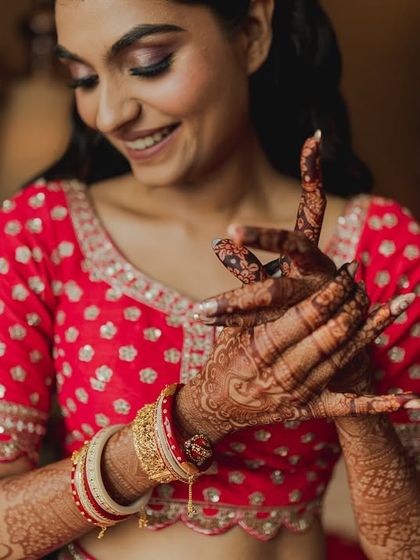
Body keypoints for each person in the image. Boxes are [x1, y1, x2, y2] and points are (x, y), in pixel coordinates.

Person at [0, 1, 418, 559]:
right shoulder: (41, 231)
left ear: (251, 33)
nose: (107, 114)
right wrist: (198, 415)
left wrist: (350, 377)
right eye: (84, 77)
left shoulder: (378, 243)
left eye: (148, 63)